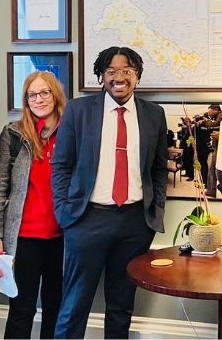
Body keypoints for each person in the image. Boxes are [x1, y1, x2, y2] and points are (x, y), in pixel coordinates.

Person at [51, 46, 168, 339]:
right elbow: (61, 165)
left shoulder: (154, 114)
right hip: (87, 220)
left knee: (121, 306)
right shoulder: (79, 110)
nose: (119, 77)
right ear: (101, 76)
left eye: (127, 70)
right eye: (111, 71)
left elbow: (158, 168)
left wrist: (155, 211)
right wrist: (64, 213)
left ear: (137, 76)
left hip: (135, 223)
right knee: (74, 305)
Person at [0, 71, 67, 339]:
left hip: (63, 237)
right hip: (24, 237)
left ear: (55, 95)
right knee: (22, 309)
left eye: (44, 93)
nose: (38, 99)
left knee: (56, 308)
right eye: (32, 95)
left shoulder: (72, 131)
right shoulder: (14, 134)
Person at [198, 104, 222, 198]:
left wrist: (205, 121)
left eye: (209, 111)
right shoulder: (216, 117)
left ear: (215, 109)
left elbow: (214, 124)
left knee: (219, 172)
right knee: (212, 169)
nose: (208, 113)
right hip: (217, 145)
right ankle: (211, 191)